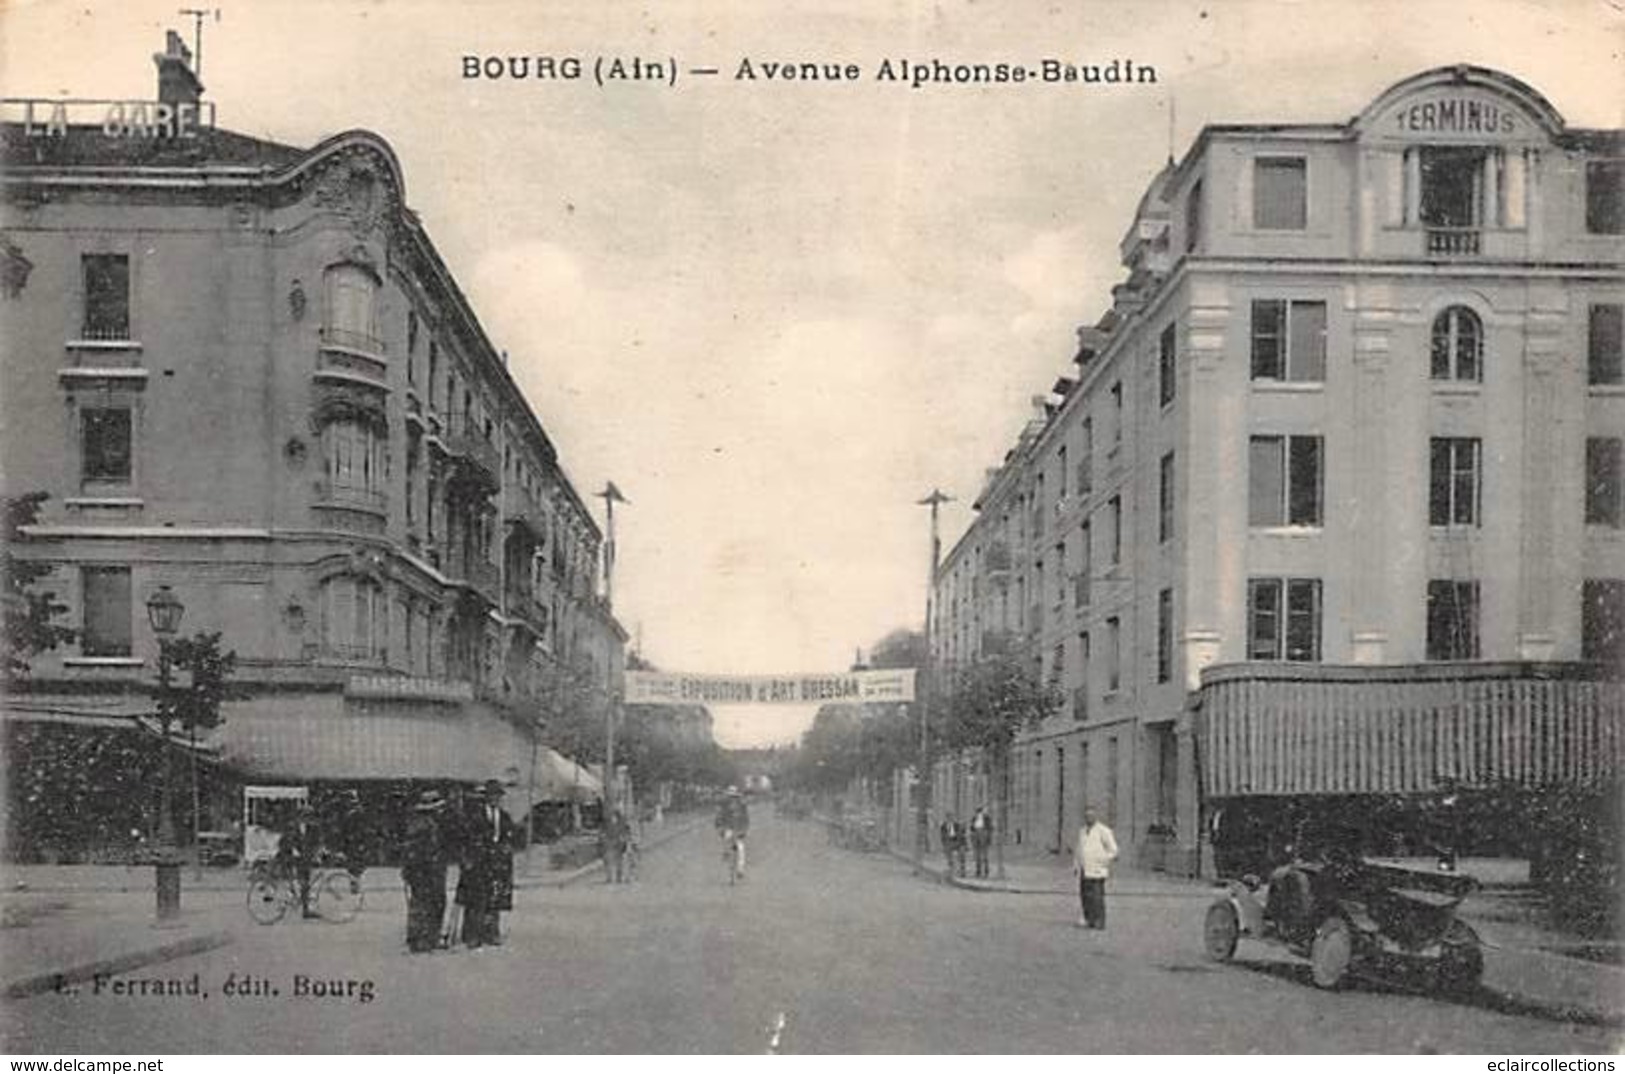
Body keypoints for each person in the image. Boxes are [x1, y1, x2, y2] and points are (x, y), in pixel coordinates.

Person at [456, 780, 519, 949]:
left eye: (498, 796)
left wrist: (506, 847)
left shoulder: (504, 817)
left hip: (497, 864)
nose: (495, 799)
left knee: (494, 898)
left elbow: (510, 837)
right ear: (486, 797)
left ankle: (491, 933)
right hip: (478, 863)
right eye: (492, 795)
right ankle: (472, 935)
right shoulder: (474, 815)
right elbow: (467, 838)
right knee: (476, 899)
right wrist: (468, 858)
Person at [400, 789, 448, 953]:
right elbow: (413, 852)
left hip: (431, 870)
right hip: (424, 871)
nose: (441, 810)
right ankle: (421, 939)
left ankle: (427, 938)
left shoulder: (431, 823)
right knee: (425, 904)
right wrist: (410, 869)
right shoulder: (421, 825)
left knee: (430, 903)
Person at [1072, 806, 1118, 930]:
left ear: (1096, 817)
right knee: (1085, 896)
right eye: (1087, 816)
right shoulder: (1082, 831)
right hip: (1085, 869)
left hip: (1098, 869)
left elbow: (1113, 850)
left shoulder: (1104, 831)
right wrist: (1076, 866)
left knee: (1097, 896)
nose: (1089, 818)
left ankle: (1099, 921)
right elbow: (1079, 850)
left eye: (1091, 816)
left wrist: (1103, 859)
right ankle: (1088, 919)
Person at [276, 802, 321, 919]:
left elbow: (315, 842)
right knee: (298, 882)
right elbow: (285, 842)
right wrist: (293, 850)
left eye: (310, 816)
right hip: (290, 857)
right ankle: (289, 900)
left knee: (305, 883)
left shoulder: (312, 828)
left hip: (303, 859)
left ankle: (305, 909)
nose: (308, 819)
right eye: (306, 816)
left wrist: (317, 852)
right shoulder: (292, 827)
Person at [715, 786, 750, 879]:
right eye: (730, 796)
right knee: (726, 837)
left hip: (739, 829)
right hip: (729, 828)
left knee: (741, 850)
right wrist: (719, 826)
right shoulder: (724, 806)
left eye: (733, 796)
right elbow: (719, 816)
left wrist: (744, 830)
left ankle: (740, 870)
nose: (732, 799)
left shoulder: (742, 805)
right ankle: (726, 852)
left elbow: (746, 819)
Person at [969, 806, 994, 879]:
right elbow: (972, 828)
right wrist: (972, 836)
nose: (978, 813)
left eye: (980, 812)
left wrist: (988, 837)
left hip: (984, 835)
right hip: (976, 836)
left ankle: (986, 871)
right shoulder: (974, 818)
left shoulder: (987, 818)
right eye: (978, 812)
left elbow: (990, 828)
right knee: (977, 855)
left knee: (985, 855)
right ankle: (978, 871)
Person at [939, 813, 966, 878]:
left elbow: (962, 834)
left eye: (952, 817)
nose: (950, 819)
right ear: (946, 818)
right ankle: (952, 869)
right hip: (949, 842)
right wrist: (944, 844)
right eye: (949, 818)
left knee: (962, 853)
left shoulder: (957, 824)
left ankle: (962, 870)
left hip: (957, 842)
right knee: (948, 854)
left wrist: (961, 842)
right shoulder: (943, 826)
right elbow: (942, 836)